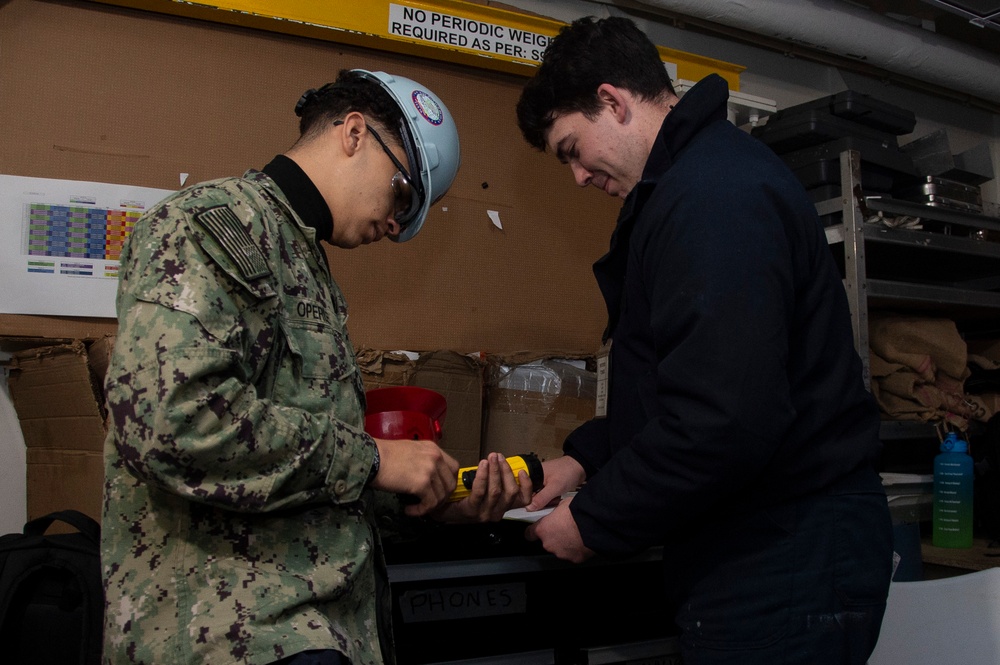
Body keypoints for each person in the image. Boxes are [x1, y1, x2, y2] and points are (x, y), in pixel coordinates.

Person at [101, 69, 532, 665]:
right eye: (402, 194)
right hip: (231, 636)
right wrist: (375, 459)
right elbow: (169, 420)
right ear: (354, 133)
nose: (398, 227)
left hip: (317, 633)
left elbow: (311, 481)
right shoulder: (207, 225)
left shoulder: (306, 267)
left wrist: (434, 505)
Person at [516, 16, 894, 665]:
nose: (577, 177)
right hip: (765, 546)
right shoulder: (692, 187)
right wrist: (584, 461)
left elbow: (723, 417)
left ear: (613, 101)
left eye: (571, 148)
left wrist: (594, 517)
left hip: (787, 551)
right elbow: (686, 386)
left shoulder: (713, 197)